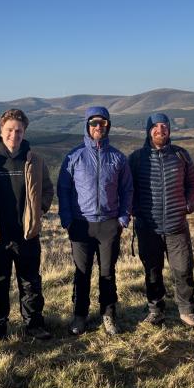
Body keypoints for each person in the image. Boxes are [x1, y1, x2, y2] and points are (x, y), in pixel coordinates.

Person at [0, 109, 54, 340]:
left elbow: (47, 189)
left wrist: (39, 210)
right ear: (1, 130)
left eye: (19, 130)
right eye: (9, 130)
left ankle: (34, 325)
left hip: (26, 234)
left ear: (24, 131)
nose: (13, 135)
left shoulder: (35, 160)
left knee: (30, 283)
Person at [57, 107, 133, 335]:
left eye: (102, 123)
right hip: (81, 224)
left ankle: (108, 315)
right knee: (82, 272)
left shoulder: (118, 158)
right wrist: (67, 220)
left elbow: (127, 189)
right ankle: (80, 316)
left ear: (108, 125)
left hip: (109, 224)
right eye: (93, 123)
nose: (98, 127)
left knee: (107, 273)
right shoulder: (74, 156)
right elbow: (63, 189)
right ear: (87, 126)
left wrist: (123, 217)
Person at [129, 113, 194, 327]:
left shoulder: (181, 156)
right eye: (155, 126)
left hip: (176, 225)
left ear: (169, 130)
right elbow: (127, 187)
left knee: (183, 269)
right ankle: (156, 310)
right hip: (148, 227)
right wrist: (133, 209)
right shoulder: (136, 158)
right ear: (148, 130)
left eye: (164, 126)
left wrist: (189, 204)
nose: (160, 130)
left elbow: (193, 184)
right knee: (152, 271)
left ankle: (186, 309)